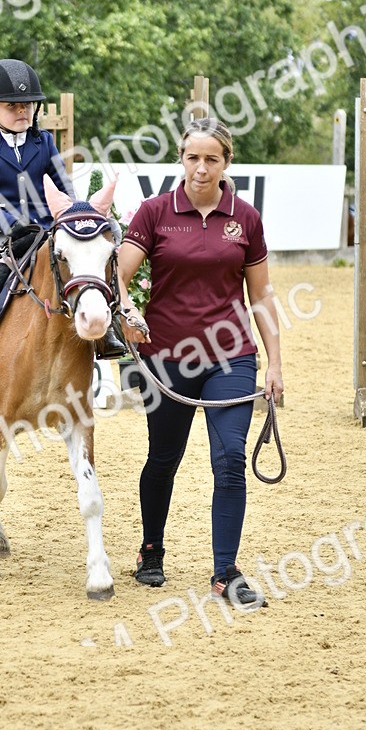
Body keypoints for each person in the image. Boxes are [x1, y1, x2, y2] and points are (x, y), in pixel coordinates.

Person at [117, 116, 284, 605]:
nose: (202, 168)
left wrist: (274, 364)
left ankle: (225, 573)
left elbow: (263, 297)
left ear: (227, 162)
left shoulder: (246, 219)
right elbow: (120, 275)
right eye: (193, 157)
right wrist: (126, 311)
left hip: (232, 357)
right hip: (167, 356)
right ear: (181, 159)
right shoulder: (153, 212)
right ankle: (151, 550)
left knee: (229, 457)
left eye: (212, 159)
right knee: (163, 458)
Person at [0, 57, 125, 359]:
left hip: (46, 230)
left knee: (85, 259)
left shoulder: (44, 142)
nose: (22, 111)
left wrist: (67, 217)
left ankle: (107, 329)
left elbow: (63, 187)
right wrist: (8, 223)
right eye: (12, 106)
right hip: (0, 234)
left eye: (28, 105)